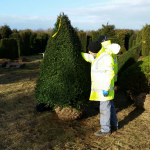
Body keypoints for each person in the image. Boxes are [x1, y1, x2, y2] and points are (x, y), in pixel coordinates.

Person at [81, 36, 120, 136]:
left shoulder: (106, 58)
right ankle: (114, 125)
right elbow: (88, 57)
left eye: (90, 51)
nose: (89, 53)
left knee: (104, 109)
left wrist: (105, 88)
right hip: (104, 89)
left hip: (105, 89)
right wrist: (78, 53)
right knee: (110, 107)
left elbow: (109, 74)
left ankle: (105, 130)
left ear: (95, 52)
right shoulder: (98, 56)